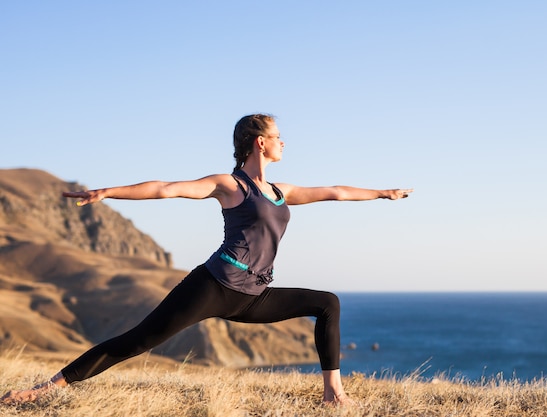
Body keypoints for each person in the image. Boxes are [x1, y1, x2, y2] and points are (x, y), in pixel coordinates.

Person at [1, 114, 412, 406]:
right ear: (260, 142)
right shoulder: (229, 185)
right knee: (138, 341)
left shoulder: (280, 190)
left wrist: (382, 193)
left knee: (328, 302)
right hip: (213, 287)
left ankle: (332, 393)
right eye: (278, 135)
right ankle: (46, 388)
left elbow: (335, 191)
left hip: (254, 295)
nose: (284, 142)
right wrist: (108, 191)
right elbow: (165, 188)